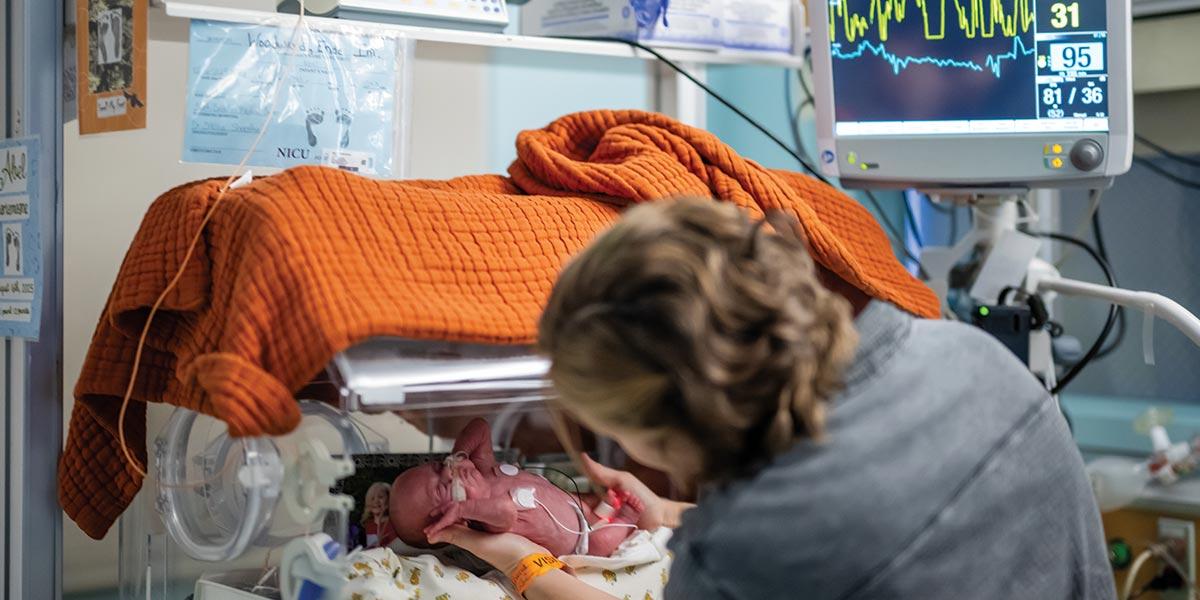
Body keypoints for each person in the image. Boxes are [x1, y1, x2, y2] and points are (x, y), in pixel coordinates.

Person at [429, 198, 1115, 599]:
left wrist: (522, 562)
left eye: (615, 433)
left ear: (673, 423)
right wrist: (672, 512)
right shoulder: (973, 358)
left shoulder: (745, 550)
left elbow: (813, 533)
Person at [362, 481, 398, 549]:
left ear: (389, 499)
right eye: (372, 498)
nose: (376, 501)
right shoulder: (367, 525)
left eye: (380, 497)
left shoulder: (395, 524)